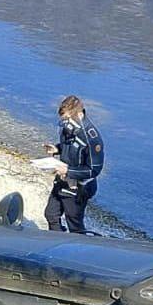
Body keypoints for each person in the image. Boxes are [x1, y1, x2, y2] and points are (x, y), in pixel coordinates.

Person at [43, 95, 104, 233]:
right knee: (51, 214)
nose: (65, 123)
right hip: (63, 180)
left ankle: (78, 249)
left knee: (74, 223)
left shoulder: (91, 138)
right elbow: (69, 146)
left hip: (79, 187)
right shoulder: (67, 128)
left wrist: (68, 171)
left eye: (67, 119)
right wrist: (57, 148)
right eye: (63, 120)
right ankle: (56, 241)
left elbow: (94, 170)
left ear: (79, 114)